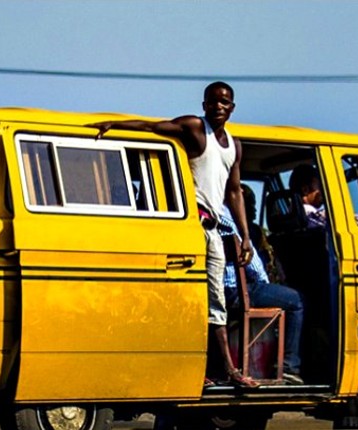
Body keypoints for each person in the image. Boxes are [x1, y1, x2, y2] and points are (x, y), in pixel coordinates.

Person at [86, 81, 257, 388]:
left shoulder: (234, 145)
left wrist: (246, 236)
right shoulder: (194, 128)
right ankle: (205, 369)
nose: (218, 107)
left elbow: (234, 192)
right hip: (190, 226)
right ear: (204, 105)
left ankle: (227, 371)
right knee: (187, 299)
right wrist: (116, 125)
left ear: (232, 108)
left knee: (215, 301)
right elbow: (153, 127)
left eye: (224, 102)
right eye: (213, 102)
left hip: (213, 231)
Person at [219, 208, 305, 385]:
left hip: (217, 291)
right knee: (296, 300)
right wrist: (266, 286)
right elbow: (253, 264)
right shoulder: (226, 216)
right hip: (235, 290)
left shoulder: (209, 214)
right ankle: (289, 367)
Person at [288, 151, 358, 229]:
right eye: (320, 185)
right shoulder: (310, 217)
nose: (324, 189)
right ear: (305, 190)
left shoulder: (292, 219)